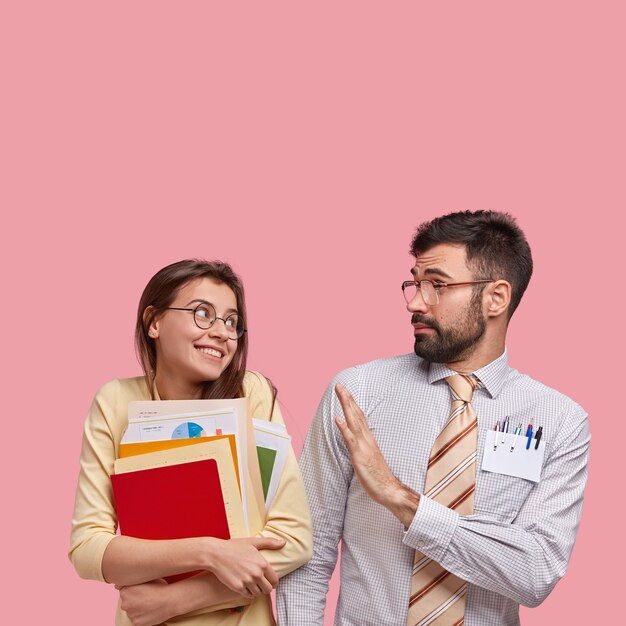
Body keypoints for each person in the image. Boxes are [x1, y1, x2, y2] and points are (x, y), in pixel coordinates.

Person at [277, 210, 589, 626]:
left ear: (496, 297)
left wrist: (402, 500)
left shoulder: (560, 421)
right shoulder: (356, 393)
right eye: (414, 283)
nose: (415, 302)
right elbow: (305, 554)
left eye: (437, 285)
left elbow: (534, 573)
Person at [69, 259, 312, 626]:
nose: (222, 333)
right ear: (154, 322)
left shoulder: (250, 393)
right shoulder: (115, 401)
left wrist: (174, 600)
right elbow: (87, 549)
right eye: (203, 314)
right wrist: (209, 551)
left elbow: (292, 540)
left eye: (231, 322)